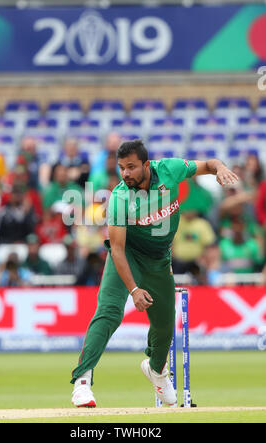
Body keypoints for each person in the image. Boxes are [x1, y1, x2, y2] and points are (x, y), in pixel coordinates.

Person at [70, 139, 238, 408]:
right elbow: (118, 250)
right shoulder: (120, 198)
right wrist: (134, 290)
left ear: (147, 165)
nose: (125, 174)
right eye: (122, 168)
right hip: (127, 256)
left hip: (159, 259)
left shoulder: (170, 169)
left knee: (164, 322)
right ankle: (82, 382)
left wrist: (220, 169)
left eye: (132, 167)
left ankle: (157, 370)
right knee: (109, 310)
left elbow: (207, 164)